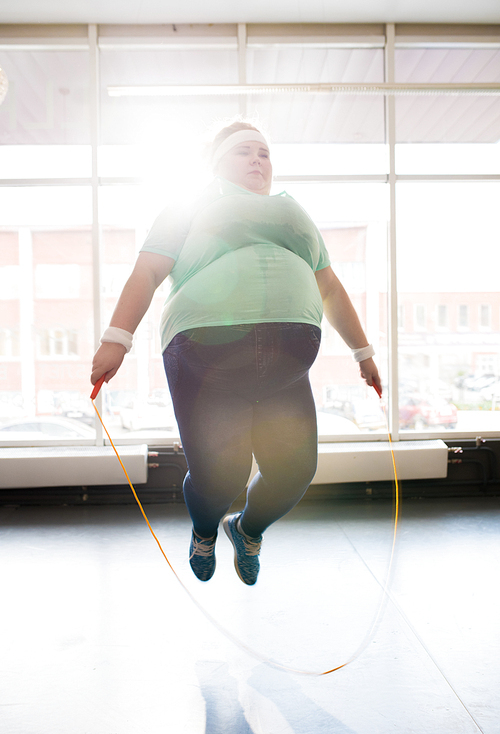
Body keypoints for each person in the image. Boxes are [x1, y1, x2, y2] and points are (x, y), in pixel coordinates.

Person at [91, 120, 381, 586]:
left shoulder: (293, 212)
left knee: (294, 473)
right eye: (244, 151)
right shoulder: (191, 204)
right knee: (222, 478)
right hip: (206, 353)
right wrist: (116, 338)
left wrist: (363, 353)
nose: (258, 161)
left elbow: (329, 286)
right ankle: (205, 531)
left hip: (287, 364)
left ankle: (246, 531)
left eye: (264, 153)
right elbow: (147, 271)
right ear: (216, 163)